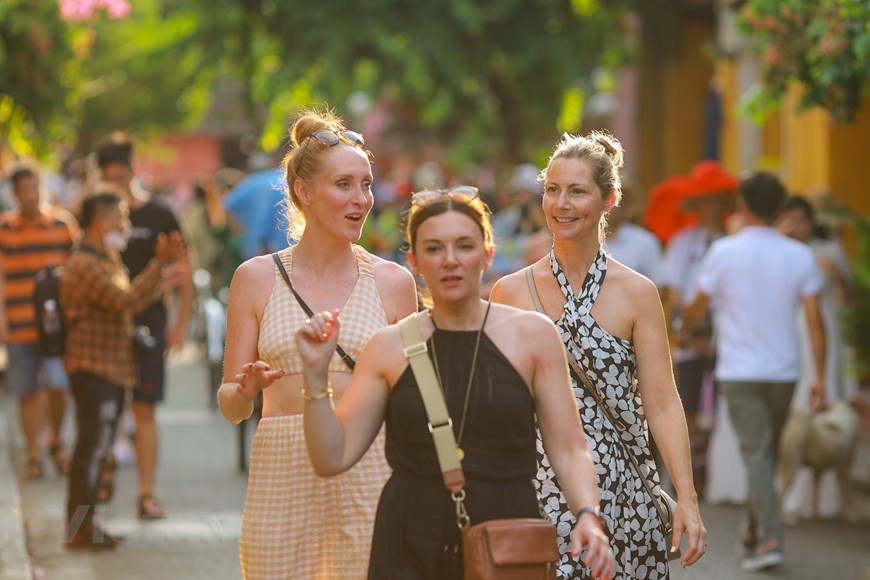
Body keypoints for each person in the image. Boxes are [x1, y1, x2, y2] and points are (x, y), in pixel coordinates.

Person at [295, 186, 615, 580]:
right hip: (410, 539)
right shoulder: (388, 346)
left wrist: (588, 514)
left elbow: (568, 448)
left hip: (507, 536)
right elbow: (332, 457)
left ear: (488, 254)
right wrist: (314, 376)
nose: (450, 260)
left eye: (464, 246)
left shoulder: (533, 335)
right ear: (414, 261)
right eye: (433, 248)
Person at [490, 131, 706, 578]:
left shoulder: (638, 293)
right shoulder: (509, 292)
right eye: (552, 189)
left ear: (608, 200)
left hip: (626, 500)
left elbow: (662, 402)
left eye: (577, 191)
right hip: (538, 495)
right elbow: (496, 405)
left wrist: (686, 497)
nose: (561, 204)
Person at [217, 108, 417, 579]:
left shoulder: (394, 282)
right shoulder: (255, 278)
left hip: (370, 471)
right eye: (344, 184)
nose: (362, 199)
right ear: (303, 192)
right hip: (281, 475)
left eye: (366, 184)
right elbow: (230, 407)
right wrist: (245, 391)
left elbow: (415, 403)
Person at [682, 173, 826, 572]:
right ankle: (756, 529)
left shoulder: (724, 252)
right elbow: (815, 322)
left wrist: (683, 325)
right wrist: (820, 379)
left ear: (741, 206)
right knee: (764, 453)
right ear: (781, 209)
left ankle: (770, 538)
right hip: (786, 373)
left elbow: (697, 305)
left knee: (759, 454)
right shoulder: (800, 255)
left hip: (740, 371)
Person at [61, 190, 185, 549]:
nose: (125, 225)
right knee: (90, 450)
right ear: (101, 220)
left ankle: (88, 525)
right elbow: (125, 301)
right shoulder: (85, 264)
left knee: (98, 450)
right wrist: (158, 265)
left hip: (111, 369)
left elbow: (130, 300)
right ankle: (79, 529)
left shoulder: (105, 258)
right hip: (93, 369)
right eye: (120, 217)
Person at [95, 133, 194, 519]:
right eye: (108, 178)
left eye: (120, 177)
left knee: (145, 410)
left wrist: (180, 323)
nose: (116, 186)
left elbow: (184, 272)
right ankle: (95, 497)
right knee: (103, 411)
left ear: (134, 171)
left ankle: (146, 494)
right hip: (105, 326)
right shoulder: (93, 215)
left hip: (149, 323)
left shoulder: (160, 214)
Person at [776, 195, 856, 518]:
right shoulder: (778, 252)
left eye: (801, 219)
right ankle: (790, 495)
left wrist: (836, 273)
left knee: (826, 400)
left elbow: (849, 299)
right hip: (790, 331)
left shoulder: (830, 251)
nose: (796, 226)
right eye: (789, 219)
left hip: (826, 331)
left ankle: (826, 500)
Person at [0, 165, 77, 480]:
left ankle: (55, 440)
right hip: (19, 324)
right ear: (15, 193)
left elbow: (75, 273)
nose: (31, 196)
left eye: (35, 188)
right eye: (24, 190)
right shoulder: (4, 228)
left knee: (59, 386)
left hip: (56, 327)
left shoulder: (62, 225)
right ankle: (33, 454)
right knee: (27, 391)